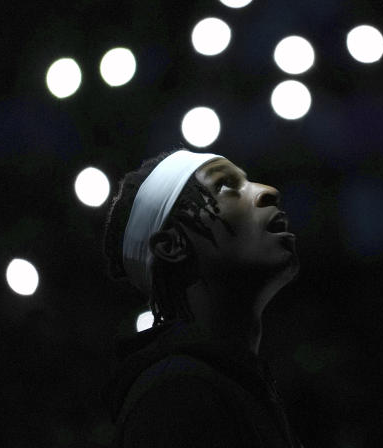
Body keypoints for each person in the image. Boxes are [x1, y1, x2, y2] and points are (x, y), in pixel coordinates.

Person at [100, 148, 304, 447]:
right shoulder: (175, 396)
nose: (268, 191)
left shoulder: (231, 386)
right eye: (224, 186)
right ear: (172, 245)